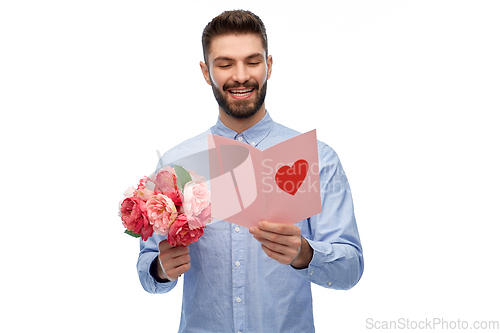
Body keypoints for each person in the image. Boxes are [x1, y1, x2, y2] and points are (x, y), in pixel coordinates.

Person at [137, 10, 363, 332]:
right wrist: (161, 268)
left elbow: (351, 268)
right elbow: (148, 268)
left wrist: (305, 253)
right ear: (206, 72)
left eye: (252, 62)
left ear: (269, 66)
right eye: (225, 64)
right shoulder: (177, 165)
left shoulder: (317, 158)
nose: (240, 76)